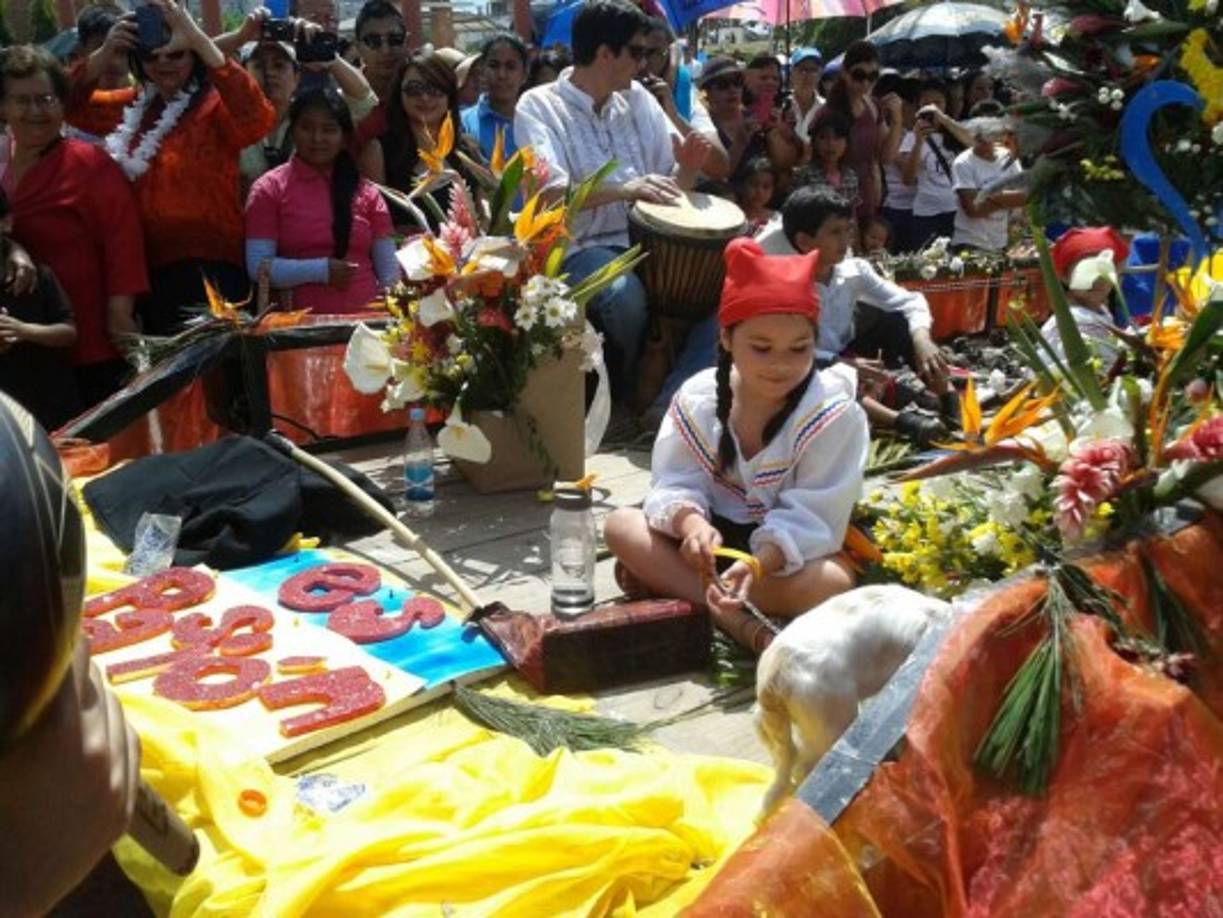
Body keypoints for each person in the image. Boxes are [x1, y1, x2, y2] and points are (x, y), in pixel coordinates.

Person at [603, 236, 868, 627]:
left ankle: (698, 594)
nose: (780, 365)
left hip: (781, 557)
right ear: (726, 338)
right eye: (761, 348)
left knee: (832, 581)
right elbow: (675, 480)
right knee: (620, 525)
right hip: (709, 545)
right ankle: (732, 613)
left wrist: (759, 565)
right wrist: (692, 527)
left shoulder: (832, 413)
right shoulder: (699, 397)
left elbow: (814, 514)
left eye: (799, 349)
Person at [514, 0, 708, 403]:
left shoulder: (638, 99)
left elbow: (666, 186)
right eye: (637, 52)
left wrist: (687, 169)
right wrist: (625, 189)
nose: (644, 64)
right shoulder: (538, 105)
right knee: (625, 298)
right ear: (605, 53)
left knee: (724, 280)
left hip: (651, 241)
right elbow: (549, 195)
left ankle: (666, 399)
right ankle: (622, 393)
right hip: (580, 248)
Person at [67, 0, 275, 336]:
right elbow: (67, 105)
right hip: (147, 274)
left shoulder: (213, 105)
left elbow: (257, 117)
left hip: (215, 270)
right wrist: (105, 52)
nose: (164, 62)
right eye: (152, 55)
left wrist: (197, 38)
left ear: (192, 56)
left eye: (176, 54)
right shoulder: (131, 106)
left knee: (218, 380)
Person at [1, 45, 146, 409]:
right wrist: (15, 250)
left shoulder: (89, 164)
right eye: (21, 101)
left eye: (45, 99)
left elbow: (122, 242)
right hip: (18, 350)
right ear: (3, 108)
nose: (35, 111)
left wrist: (120, 315)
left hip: (90, 341)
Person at [759, 186, 954, 444]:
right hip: (808, 363)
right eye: (835, 232)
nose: (846, 241)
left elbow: (909, 301)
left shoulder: (855, 270)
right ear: (805, 241)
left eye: (848, 230)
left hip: (847, 352)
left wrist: (922, 339)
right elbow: (783, 348)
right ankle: (903, 422)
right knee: (814, 375)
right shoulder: (783, 283)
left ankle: (949, 398)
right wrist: (839, 364)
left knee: (899, 323)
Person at [245, 88, 398, 314]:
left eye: (328, 130)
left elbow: (389, 272)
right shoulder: (268, 190)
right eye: (307, 128)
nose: (317, 138)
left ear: (344, 138)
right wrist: (320, 270)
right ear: (293, 131)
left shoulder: (367, 193)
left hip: (367, 325)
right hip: (295, 330)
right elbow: (258, 266)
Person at [233, 26, 381, 191]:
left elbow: (364, 100)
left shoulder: (310, 113)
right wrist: (240, 36)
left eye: (279, 65)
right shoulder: (231, 119)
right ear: (244, 73)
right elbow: (202, 60)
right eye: (259, 66)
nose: (270, 74)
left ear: (297, 78)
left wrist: (329, 57)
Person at [0, 186, 79, 430]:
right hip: (9, 422)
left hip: (53, 403)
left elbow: (69, 332)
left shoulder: (37, 277)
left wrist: (23, 331)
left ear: (6, 223)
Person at [382, 51, 483, 227]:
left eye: (435, 89)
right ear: (400, 93)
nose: (425, 98)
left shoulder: (467, 149)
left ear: (449, 95)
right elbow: (376, 224)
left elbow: (482, 216)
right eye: (414, 89)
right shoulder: (380, 150)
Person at [636, 17, 730, 182]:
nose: (644, 62)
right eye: (637, 52)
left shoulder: (685, 91)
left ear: (667, 55)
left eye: (653, 53)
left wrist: (673, 116)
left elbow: (720, 166)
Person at [819, 40, 903, 222]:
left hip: (870, 197)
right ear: (844, 73)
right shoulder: (828, 112)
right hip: (837, 200)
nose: (866, 83)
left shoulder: (873, 107)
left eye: (872, 76)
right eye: (859, 75)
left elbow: (886, 157)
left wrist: (897, 120)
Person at [899, 79, 973, 250]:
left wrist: (944, 120)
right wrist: (918, 142)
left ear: (947, 104)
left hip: (957, 210)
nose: (932, 107)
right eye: (926, 103)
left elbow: (973, 144)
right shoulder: (912, 137)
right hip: (927, 213)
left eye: (938, 102)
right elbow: (908, 179)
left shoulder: (956, 130)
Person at [1041, 226, 1130, 366]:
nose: (1095, 280)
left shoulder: (1101, 311)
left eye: (1102, 272)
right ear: (1065, 276)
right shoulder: (1068, 324)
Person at [951, 116, 1025, 252]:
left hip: (1001, 240)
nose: (984, 144)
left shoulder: (1009, 158)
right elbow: (973, 210)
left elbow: (1024, 197)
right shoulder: (963, 163)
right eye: (979, 139)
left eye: (990, 139)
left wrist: (990, 195)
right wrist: (1007, 200)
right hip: (970, 241)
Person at [460, 31, 528, 162]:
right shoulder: (463, 123)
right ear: (482, 71)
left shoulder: (537, 122)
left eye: (511, 67)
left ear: (524, 75)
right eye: (494, 66)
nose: (502, 75)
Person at [793, 109, 861, 216]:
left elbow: (852, 216)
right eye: (823, 138)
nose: (831, 144)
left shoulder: (851, 177)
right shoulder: (805, 175)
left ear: (847, 143)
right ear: (814, 142)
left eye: (837, 138)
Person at [787, 46, 824, 145]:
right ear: (791, 74)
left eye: (813, 70)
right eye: (802, 69)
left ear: (820, 75)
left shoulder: (826, 108)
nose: (807, 75)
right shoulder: (781, 106)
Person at [734, 156, 776, 230]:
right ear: (741, 185)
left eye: (766, 186)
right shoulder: (730, 214)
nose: (760, 191)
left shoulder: (775, 220)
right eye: (754, 184)